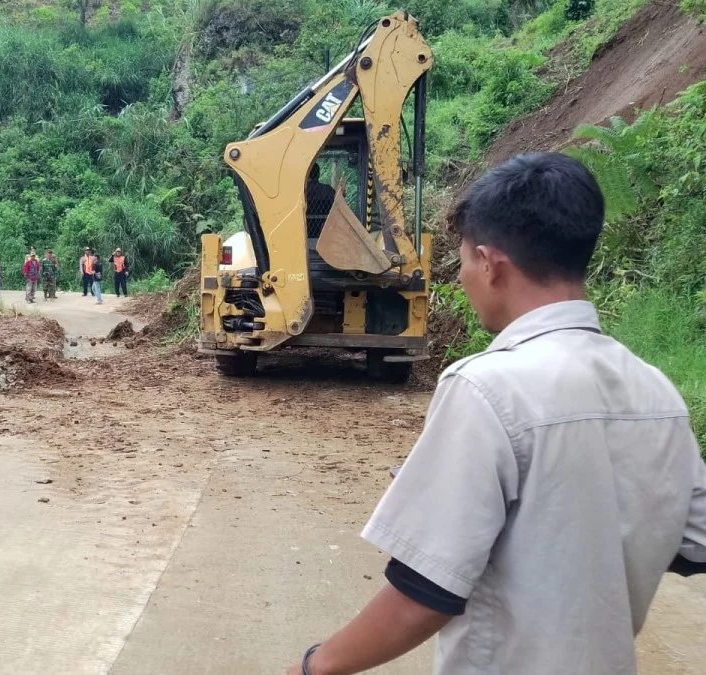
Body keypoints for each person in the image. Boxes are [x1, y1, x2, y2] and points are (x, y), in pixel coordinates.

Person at [288, 153, 706, 675]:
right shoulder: (657, 394)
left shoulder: (486, 388)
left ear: (489, 263)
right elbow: (692, 547)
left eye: (464, 258)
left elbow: (427, 592)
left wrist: (315, 665)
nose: (463, 274)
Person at [306, 163, 338, 238]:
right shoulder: (328, 191)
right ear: (318, 174)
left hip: (301, 232)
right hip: (324, 234)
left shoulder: (299, 192)